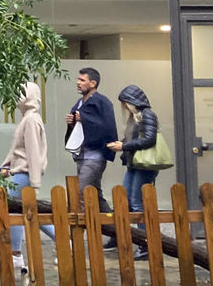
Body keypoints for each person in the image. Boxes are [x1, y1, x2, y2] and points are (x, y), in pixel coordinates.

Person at [0, 81, 55, 273]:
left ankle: (16, 255)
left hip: (24, 174)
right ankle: (65, 239)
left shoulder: (30, 120)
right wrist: (6, 165)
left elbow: (32, 151)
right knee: (31, 213)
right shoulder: (29, 118)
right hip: (22, 172)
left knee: (13, 211)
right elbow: (18, 149)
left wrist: (35, 182)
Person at [64, 67, 118, 247]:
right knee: (95, 195)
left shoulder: (102, 102)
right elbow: (78, 126)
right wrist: (72, 122)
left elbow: (106, 126)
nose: (78, 83)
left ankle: (75, 239)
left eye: (82, 80)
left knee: (80, 192)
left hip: (95, 155)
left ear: (93, 83)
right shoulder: (79, 103)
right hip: (82, 154)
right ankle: (117, 232)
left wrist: (83, 119)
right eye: (78, 80)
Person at [107, 84, 160, 261]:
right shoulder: (135, 118)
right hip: (134, 164)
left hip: (145, 166)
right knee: (126, 201)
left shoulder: (147, 115)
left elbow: (149, 140)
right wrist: (120, 144)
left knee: (137, 204)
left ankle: (145, 245)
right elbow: (134, 138)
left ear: (131, 102)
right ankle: (125, 238)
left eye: (124, 103)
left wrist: (123, 146)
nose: (122, 107)